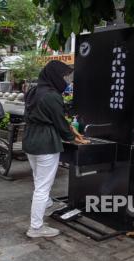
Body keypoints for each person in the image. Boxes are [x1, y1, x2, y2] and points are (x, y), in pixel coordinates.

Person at [23, 60, 89, 238]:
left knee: (39, 182)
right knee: (42, 187)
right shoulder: (52, 95)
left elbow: (48, 116)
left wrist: (71, 130)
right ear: (54, 76)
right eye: (63, 76)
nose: (66, 80)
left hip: (30, 141)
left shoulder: (33, 91)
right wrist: (74, 138)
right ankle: (36, 228)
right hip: (46, 143)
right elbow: (59, 123)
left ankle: (45, 205)